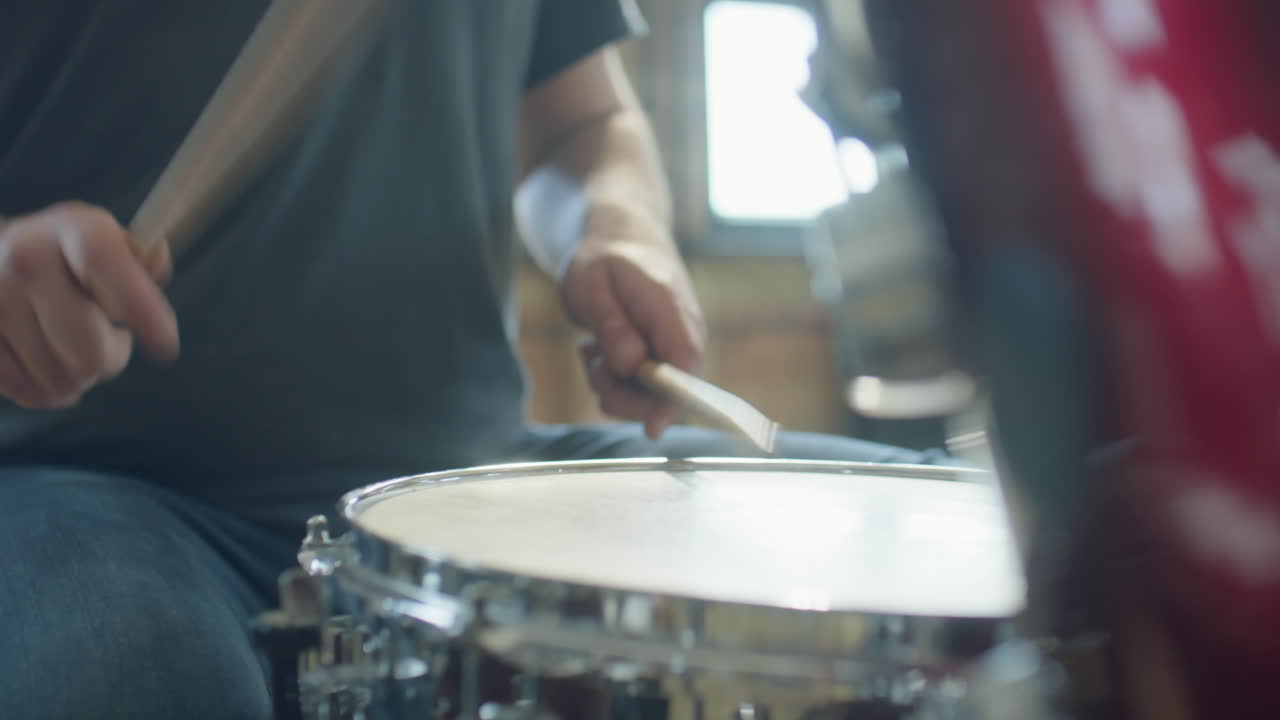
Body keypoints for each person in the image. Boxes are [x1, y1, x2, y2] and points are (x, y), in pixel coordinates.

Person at [0, 1, 946, 717]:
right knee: (134, 667)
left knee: (956, 562)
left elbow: (582, 126)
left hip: (471, 478)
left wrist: (616, 228)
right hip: (87, 480)